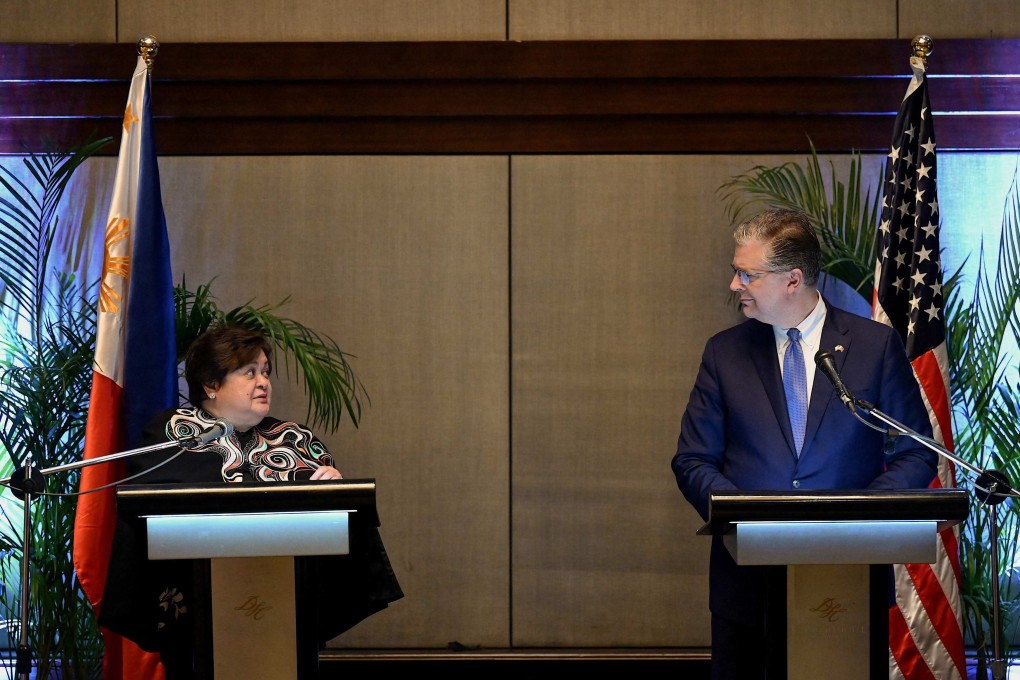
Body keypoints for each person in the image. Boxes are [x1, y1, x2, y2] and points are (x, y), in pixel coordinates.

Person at [670, 208, 938, 680]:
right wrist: (748, 516)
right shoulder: (724, 352)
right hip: (746, 587)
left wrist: (858, 520)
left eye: (747, 273)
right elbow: (693, 459)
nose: (735, 285)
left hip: (847, 583)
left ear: (793, 279)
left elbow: (916, 450)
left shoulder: (875, 347)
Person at [99, 323, 403, 679]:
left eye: (265, 372)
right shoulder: (171, 434)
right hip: (196, 618)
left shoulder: (294, 440)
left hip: (286, 617)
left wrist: (334, 490)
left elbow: (337, 522)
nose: (264, 382)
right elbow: (148, 515)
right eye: (249, 373)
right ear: (211, 384)